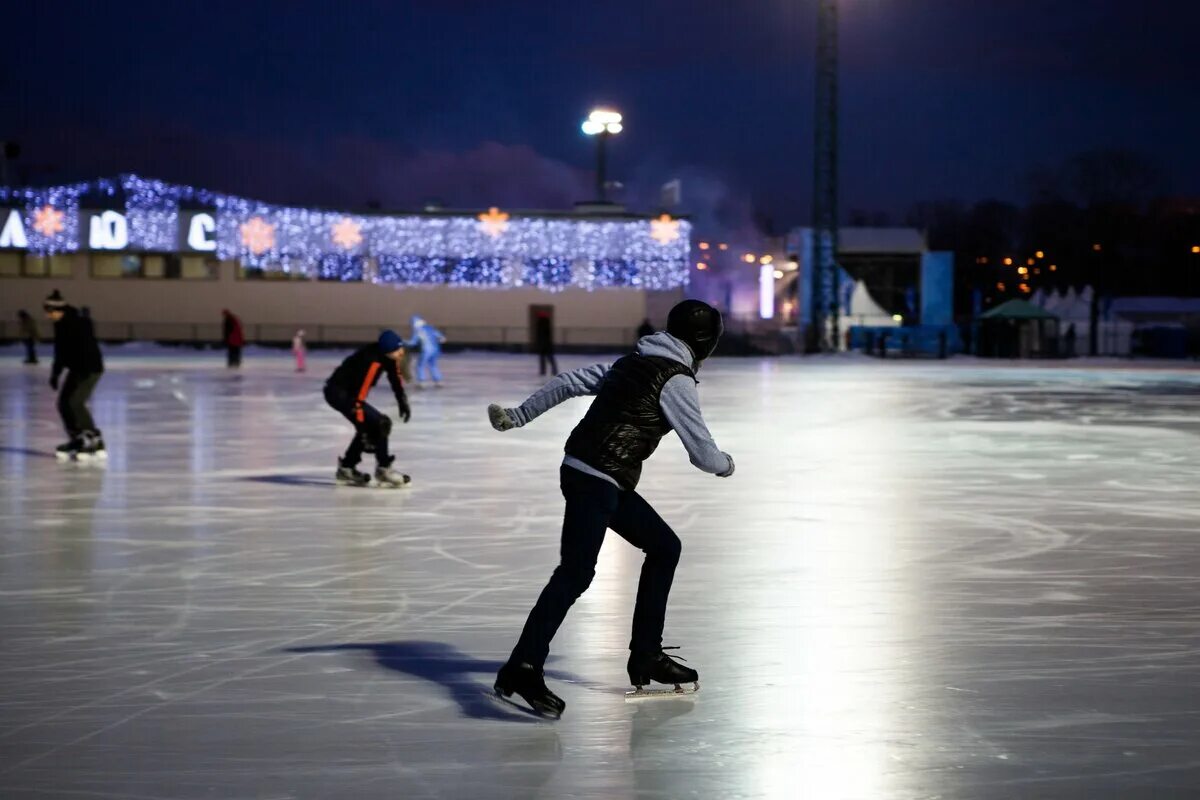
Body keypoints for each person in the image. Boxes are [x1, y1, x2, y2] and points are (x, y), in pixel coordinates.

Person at [487, 299, 734, 718]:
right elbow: (704, 454)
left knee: (664, 547)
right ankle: (523, 667)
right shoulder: (676, 379)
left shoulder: (631, 361)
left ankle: (646, 655)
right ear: (706, 342)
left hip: (589, 472)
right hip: (598, 477)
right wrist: (726, 464)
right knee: (576, 572)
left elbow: (567, 381)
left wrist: (519, 415)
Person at [324, 330, 412, 487]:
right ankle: (383, 468)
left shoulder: (387, 357)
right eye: (397, 350)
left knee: (372, 426)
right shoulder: (372, 361)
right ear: (387, 351)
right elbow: (361, 391)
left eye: (401, 348)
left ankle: (347, 468)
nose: (401, 352)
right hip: (338, 393)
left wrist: (402, 400)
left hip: (348, 393)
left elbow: (394, 377)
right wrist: (360, 419)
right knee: (379, 423)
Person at [43, 290, 105, 458]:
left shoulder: (77, 323)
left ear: (58, 310)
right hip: (78, 368)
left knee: (75, 403)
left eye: (49, 312)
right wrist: (55, 374)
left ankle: (91, 438)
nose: (48, 316)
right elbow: (60, 353)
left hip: (89, 369)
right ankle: (78, 438)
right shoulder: (61, 324)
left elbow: (86, 347)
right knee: (64, 403)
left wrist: (84, 369)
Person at [407, 315, 446, 388]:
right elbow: (442, 338)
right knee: (433, 365)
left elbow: (413, 343)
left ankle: (421, 382)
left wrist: (402, 343)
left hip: (426, 350)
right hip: (435, 350)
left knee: (420, 365)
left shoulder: (418, 331)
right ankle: (438, 381)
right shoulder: (430, 328)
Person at [534, 311, 558, 376]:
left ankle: (544, 371)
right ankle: (553, 370)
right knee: (549, 358)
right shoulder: (546, 323)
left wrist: (540, 344)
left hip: (544, 344)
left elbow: (541, 335)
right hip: (547, 344)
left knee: (544, 358)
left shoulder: (541, 323)